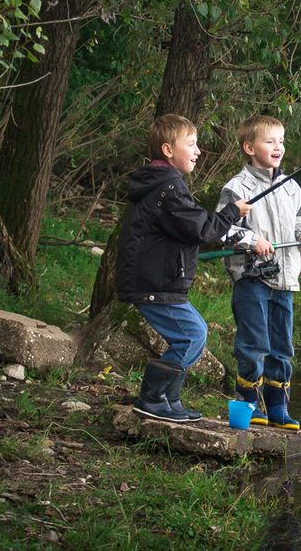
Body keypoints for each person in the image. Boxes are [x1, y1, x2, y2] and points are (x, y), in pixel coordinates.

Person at [116, 114, 251, 423]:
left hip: (155, 280)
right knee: (192, 334)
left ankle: (168, 399)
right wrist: (233, 211)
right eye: (191, 144)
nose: (198, 150)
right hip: (153, 282)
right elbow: (200, 229)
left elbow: (191, 227)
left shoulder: (162, 183)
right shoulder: (169, 187)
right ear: (167, 150)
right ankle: (152, 398)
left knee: (191, 334)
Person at [217, 115, 301, 430]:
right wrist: (252, 240)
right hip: (253, 279)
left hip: (285, 279)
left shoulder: (290, 186)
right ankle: (250, 403)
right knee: (254, 344)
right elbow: (224, 229)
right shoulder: (237, 187)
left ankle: (279, 408)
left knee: (282, 346)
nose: (278, 147)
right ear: (249, 147)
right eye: (269, 141)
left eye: (281, 141)